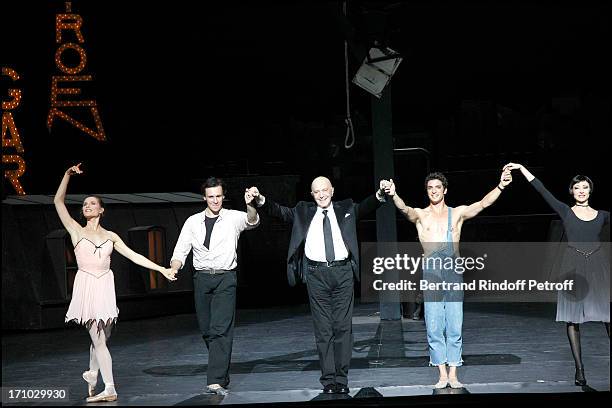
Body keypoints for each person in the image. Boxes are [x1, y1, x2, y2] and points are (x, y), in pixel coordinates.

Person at [248, 177, 390, 394]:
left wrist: (381, 194)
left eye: (325, 190)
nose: (322, 194)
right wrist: (259, 199)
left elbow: (366, 206)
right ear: (312, 194)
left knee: (343, 328)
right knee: (323, 330)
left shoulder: (346, 208)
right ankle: (329, 381)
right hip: (316, 275)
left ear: (332, 190)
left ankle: (341, 380)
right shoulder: (303, 211)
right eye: (317, 191)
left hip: (342, 273)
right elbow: (278, 211)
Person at [55, 163, 177, 403]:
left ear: (101, 210)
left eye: (92, 203)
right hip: (87, 285)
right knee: (99, 339)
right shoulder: (76, 231)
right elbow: (58, 202)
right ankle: (109, 387)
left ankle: (92, 373)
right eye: (85, 204)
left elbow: (134, 255)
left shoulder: (111, 236)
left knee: (103, 335)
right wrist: (66, 175)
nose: (87, 206)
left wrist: (161, 268)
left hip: (105, 285)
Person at [385, 168, 512, 389]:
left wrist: (501, 185)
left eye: (437, 187)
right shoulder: (421, 215)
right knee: (434, 325)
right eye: (430, 188)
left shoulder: (458, 213)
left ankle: (453, 372)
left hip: (453, 270)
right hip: (432, 271)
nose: (434, 191)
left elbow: (483, 204)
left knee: (454, 323)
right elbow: (405, 209)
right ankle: (441, 373)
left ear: (445, 190)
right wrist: (394, 194)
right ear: (427, 191)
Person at [505, 163, 610, 386]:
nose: (581, 191)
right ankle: (579, 370)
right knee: (573, 319)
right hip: (573, 265)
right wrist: (522, 169)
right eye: (577, 188)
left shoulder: (603, 216)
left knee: (608, 316)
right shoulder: (566, 211)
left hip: (598, 264)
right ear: (572, 191)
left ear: (591, 190)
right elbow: (541, 189)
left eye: (585, 187)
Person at [170, 177, 259, 396]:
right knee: (207, 330)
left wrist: (250, 204)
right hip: (201, 279)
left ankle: (215, 380)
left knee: (221, 330)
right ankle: (222, 371)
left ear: (223, 196)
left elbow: (253, 221)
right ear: (204, 198)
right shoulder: (192, 222)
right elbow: (180, 250)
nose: (215, 200)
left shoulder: (232, 218)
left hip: (225, 278)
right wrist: (174, 267)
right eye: (211, 197)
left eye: (219, 196)